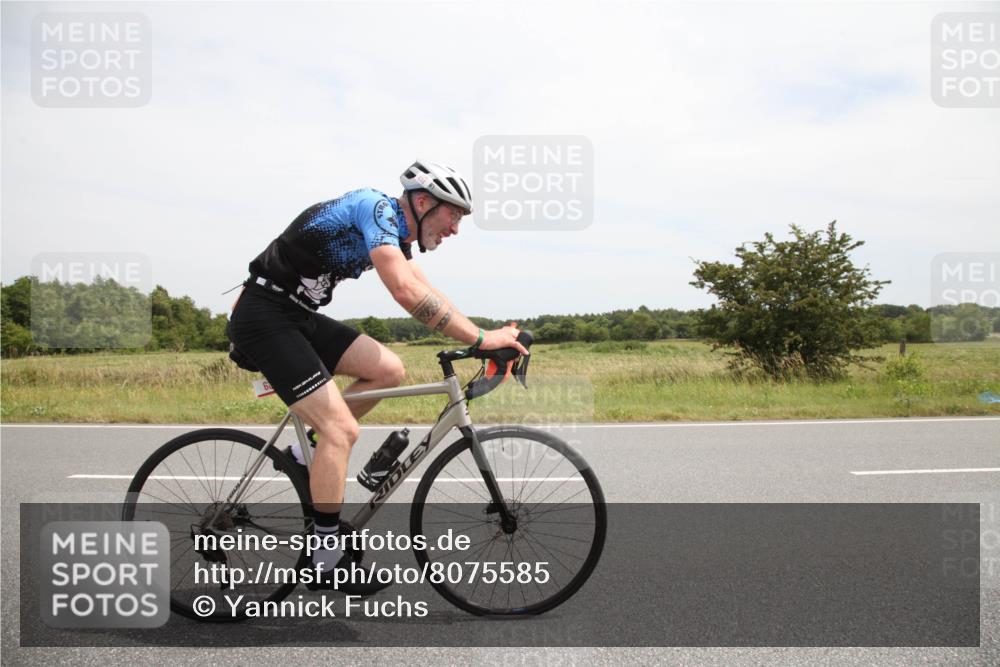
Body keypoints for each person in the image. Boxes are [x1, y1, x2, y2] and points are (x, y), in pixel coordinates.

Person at [226, 159, 528, 586]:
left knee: (389, 368)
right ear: (423, 202)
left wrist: (485, 333)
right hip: (264, 316)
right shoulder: (375, 209)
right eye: (453, 216)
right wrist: (481, 339)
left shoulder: (396, 234)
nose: (455, 230)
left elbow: (425, 289)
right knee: (341, 431)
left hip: (298, 316)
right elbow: (404, 293)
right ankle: (324, 560)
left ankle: (303, 453)